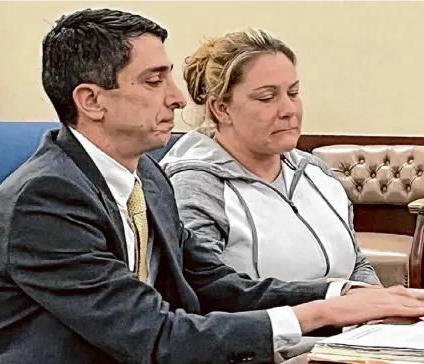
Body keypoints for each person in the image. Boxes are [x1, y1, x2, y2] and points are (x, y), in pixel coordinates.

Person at [0, 9, 424, 364]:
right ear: (91, 101)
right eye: (154, 80)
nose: (179, 97)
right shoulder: (45, 200)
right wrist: (317, 317)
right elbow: (153, 335)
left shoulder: (147, 177)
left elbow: (216, 283)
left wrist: (341, 295)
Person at [160, 29, 379, 286]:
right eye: (267, 97)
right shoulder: (195, 186)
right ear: (221, 109)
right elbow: (210, 292)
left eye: (293, 93)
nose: (288, 110)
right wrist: (336, 304)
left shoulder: (316, 172)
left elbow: (356, 264)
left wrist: (381, 305)